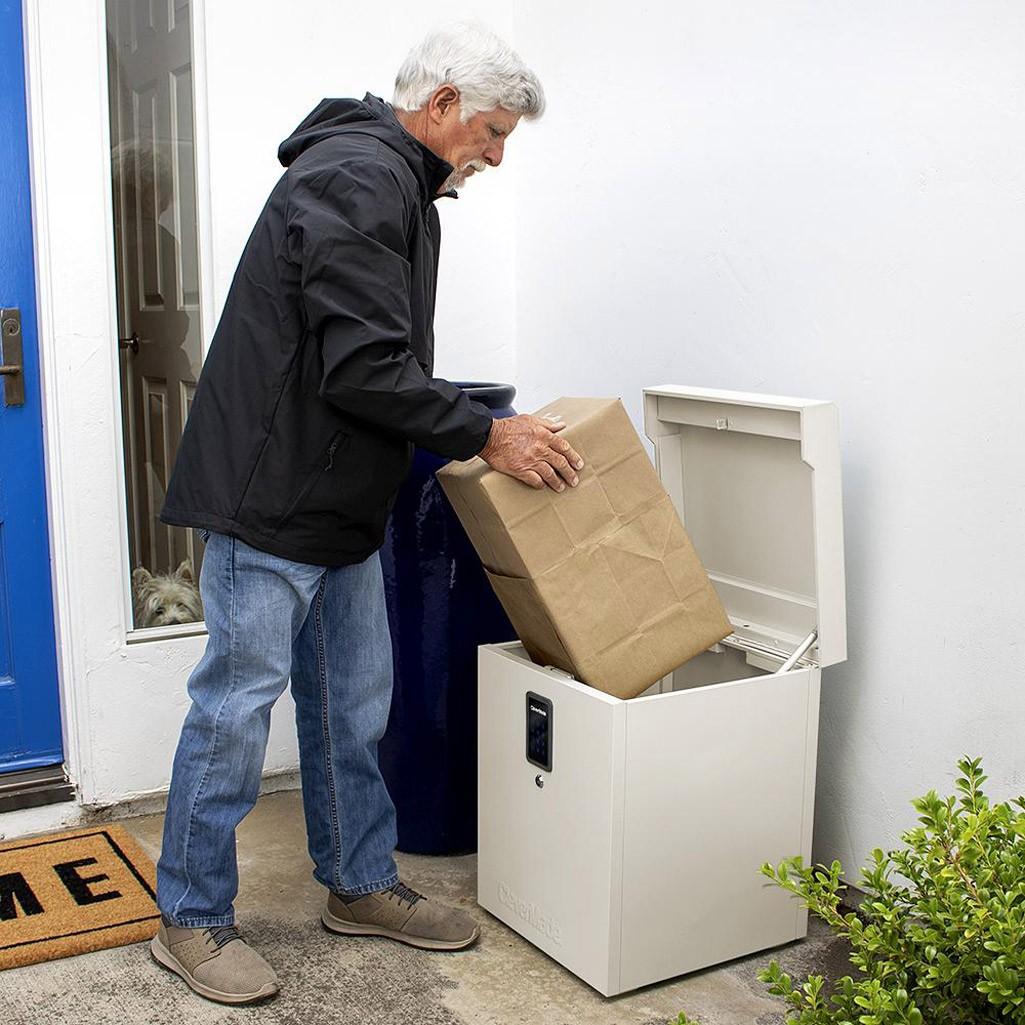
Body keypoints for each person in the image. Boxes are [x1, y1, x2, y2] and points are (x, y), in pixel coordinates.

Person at [150, 24, 582, 1006]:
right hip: (272, 502)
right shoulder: (355, 180)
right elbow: (366, 368)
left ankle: (357, 883)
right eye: (489, 130)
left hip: (339, 498)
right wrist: (488, 433)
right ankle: (189, 916)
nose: (496, 154)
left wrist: (461, 426)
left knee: (352, 708)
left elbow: (367, 358)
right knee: (232, 712)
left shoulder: (396, 183)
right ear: (436, 106)